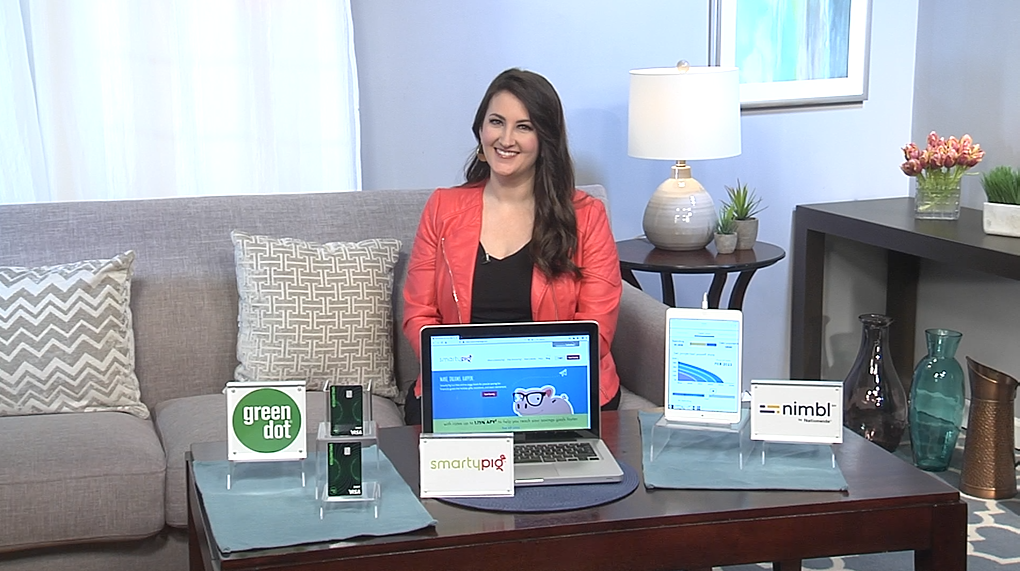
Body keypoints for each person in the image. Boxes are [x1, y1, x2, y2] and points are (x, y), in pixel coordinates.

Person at [401, 68, 622, 425]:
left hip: (557, 389)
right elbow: (418, 313)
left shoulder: (587, 216)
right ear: (481, 130)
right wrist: (466, 376)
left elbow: (597, 328)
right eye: (496, 122)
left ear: (545, 138)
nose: (506, 139)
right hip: (463, 384)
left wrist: (519, 384)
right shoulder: (442, 208)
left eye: (524, 127)